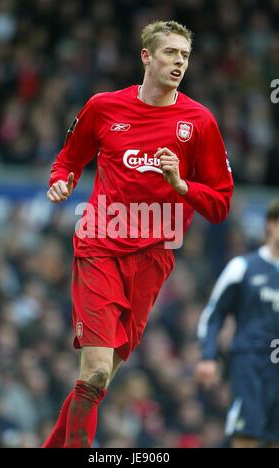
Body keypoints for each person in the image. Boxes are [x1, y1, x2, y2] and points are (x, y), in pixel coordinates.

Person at [44, 20, 234, 448]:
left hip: (154, 256)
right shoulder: (103, 107)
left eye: (185, 55)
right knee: (93, 369)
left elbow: (221, 204)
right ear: (147, 56)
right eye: (171, 53)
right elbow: (69, 159)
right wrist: (63, 180)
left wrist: (182, 185)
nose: (179, 63)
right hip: (99, 243)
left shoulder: (199, 122)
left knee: (100, 379)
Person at [196, 200, 279, 449]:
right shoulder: (243, 267)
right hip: (250, 364)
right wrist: (208, 356)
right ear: (272, 225)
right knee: (246, 436)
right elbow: (213, 314)